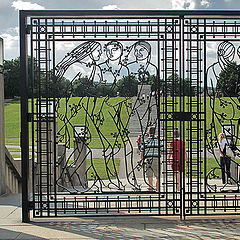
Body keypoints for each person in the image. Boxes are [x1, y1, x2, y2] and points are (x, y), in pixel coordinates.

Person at [141, 126, 162, 191]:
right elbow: (163, 150)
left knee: (149, 176)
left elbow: (142, 152)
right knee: (158, 176)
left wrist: (142, 162)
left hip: (148, 159)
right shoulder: (158, 141)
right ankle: (158, 189)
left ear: (148, 132)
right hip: (156, 159)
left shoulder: (146, 142)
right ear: (155, 132)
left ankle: (151, 188)